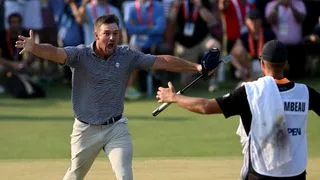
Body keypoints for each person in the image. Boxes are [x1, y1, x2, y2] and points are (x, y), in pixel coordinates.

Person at [15, 14, 213, 180]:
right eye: (107, 34)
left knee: (125, 176)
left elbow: (162, 61)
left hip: (116, 128)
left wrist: (196, 67)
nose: (112, 38)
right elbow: (56, 52)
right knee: (75, 175)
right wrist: (36, 48)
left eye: (115, 34)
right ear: (96, 35)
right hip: (85, 130)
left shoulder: (126, 55)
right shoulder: (80, 55)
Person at [156, 40, 320, 180]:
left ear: (262, 63)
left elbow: (205, 107)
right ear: (286, 64)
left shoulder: (249, 92)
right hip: (296, 173)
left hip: (261, 173)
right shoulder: (305, 92)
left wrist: (174, 97)